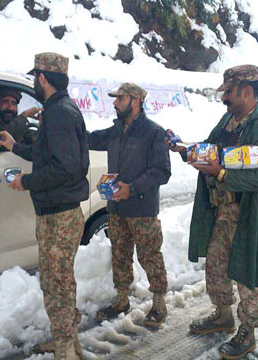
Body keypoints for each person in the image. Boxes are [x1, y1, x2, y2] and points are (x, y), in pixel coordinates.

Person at [166, 65, 258, 359]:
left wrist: (223, 176)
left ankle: (248, 330)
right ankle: (223, 315)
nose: (224, 99)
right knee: (216, 265)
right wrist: (184, 149)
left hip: (247, 215)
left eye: (229, 93)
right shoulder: (229, 120)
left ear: (247, 91)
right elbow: (211, 149)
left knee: (247, 273)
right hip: (222, 211)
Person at [0, 52, 88, 360]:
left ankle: (64, 350)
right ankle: (67, 341)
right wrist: (15, 146)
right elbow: (47, 156)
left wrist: (27, 182)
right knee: (57, 282)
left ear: (42, 78)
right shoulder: (57, 109)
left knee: (56, 285)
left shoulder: (59, 112)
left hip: (59, 216)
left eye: (35, 77)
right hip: (55, 213)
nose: (34, 82)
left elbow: (67, 168)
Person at [87, 83, 171, 328]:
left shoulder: (154, 132)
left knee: (150, 256)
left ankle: (159, 303)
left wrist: (131, 188)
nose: (114, 103)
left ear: (135, 100)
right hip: (117, 208)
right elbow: (89, 139)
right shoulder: (115, 131)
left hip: (142, 210)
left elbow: (161, 172)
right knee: (120, 254)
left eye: (120, 99)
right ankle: (122, 300)